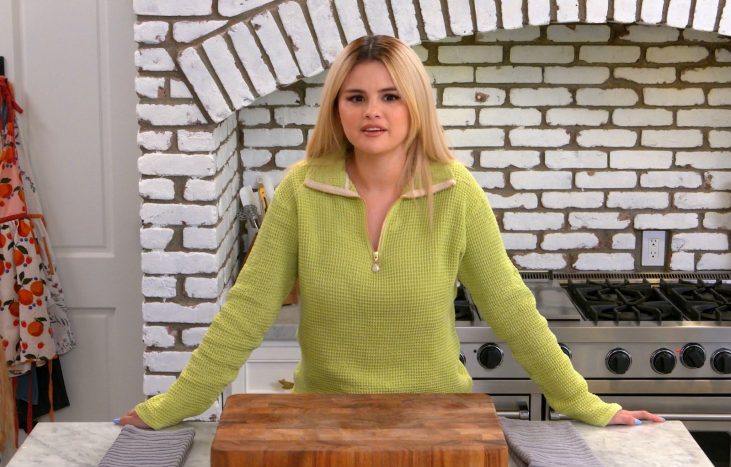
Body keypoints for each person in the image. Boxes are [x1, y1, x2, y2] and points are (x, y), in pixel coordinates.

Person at [119, 35, 662, 430]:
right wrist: (176, 404)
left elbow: (511, 307)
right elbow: (248, 309)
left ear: (415, 105)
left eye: (390, 96)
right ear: (337, 107)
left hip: (437, 422)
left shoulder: (456, 191)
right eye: (356, 97)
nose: (372, 112)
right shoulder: (302, 190)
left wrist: (582, 402)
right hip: (324, 424)